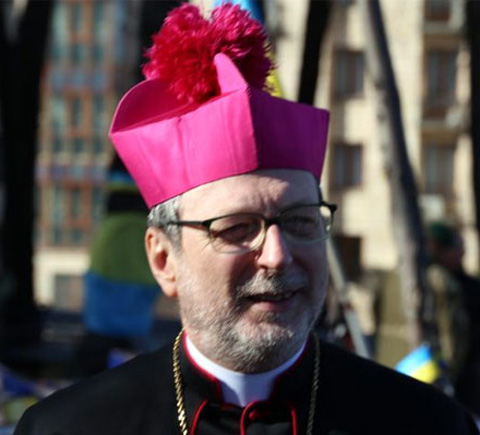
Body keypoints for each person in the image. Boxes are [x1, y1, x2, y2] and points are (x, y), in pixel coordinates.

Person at [15, 4, 479, 434]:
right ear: (163, 259)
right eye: (237, 228)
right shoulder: (68, 428)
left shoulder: (428, 425)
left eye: (300, 222)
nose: (277, 256)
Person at [427, 222, 480, 417]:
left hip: (466, 381)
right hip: (441, 377)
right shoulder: (436, 283)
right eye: (457, 248)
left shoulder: (468, 286)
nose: (462, 253)